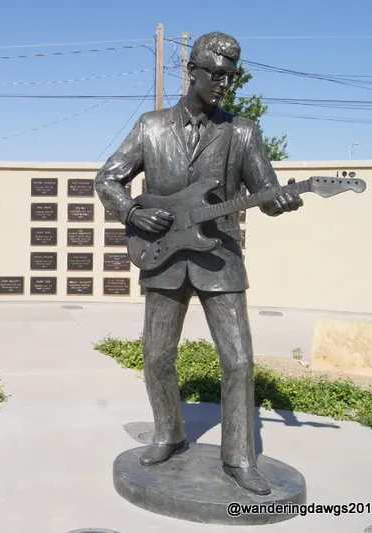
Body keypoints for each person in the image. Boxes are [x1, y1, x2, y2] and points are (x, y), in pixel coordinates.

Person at [94, 31, 302, 495]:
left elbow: (264, 192)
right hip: (163, 257)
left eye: (232, 77)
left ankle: (240, 457)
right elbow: (107, 179)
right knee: (157, 355)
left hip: (219, 258)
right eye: (218, 75)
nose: (225, 85)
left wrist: (282, 198)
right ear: (192, 72)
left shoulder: (243, 130)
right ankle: (168, 433)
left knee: (239, 360)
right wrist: (131, 212)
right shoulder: (150, 127)